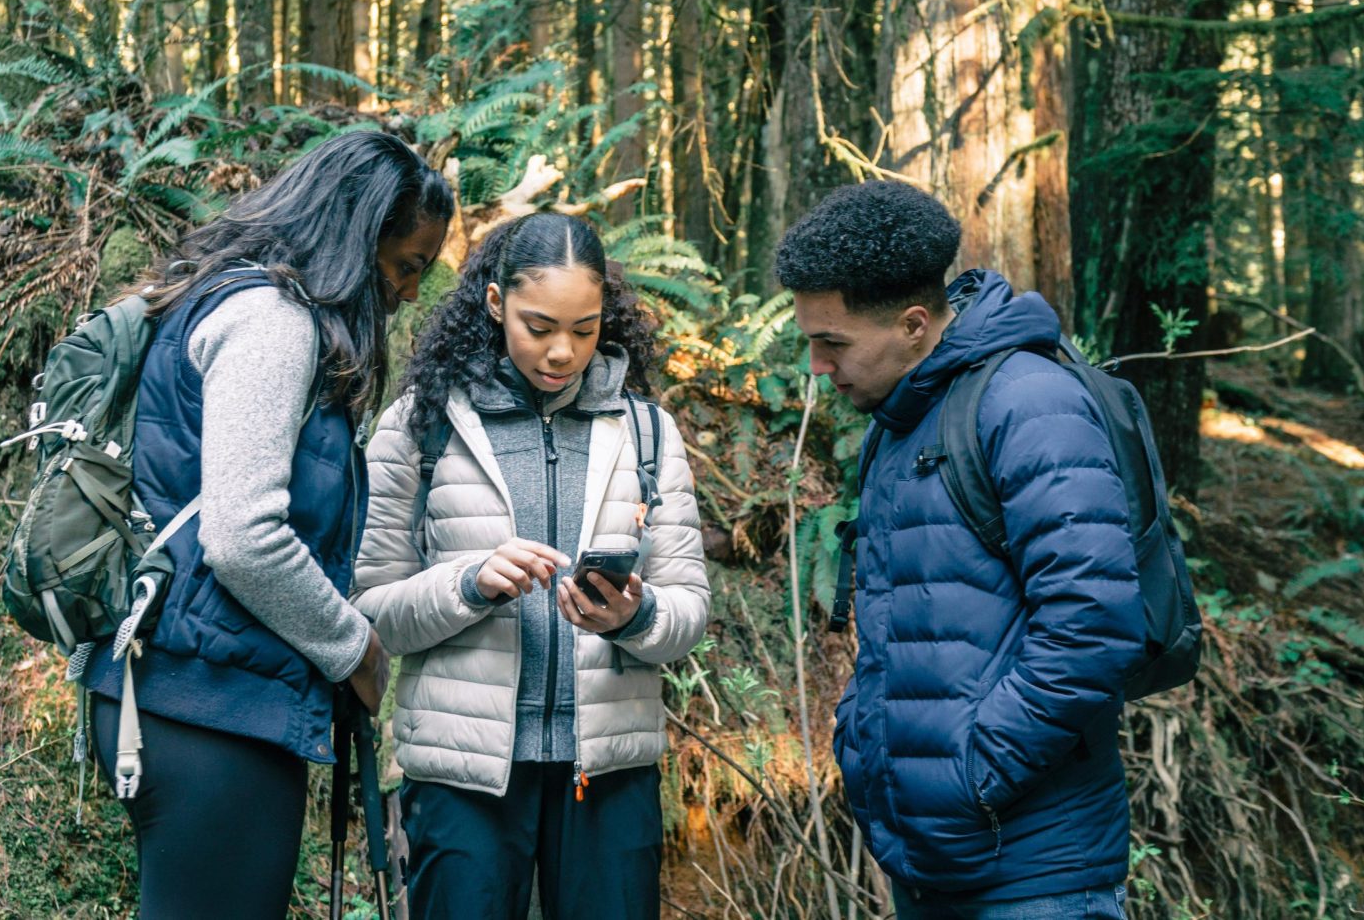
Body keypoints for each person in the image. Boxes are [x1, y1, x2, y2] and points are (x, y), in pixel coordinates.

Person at [80, 131, 454, 918]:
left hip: (194, 692)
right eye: (408, 264)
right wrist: (355, 645)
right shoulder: (274, 321)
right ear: (358, 235)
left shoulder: (237, 300)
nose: (411, 290)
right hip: (207, 707)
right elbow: (244, 534)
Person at [775, 181, 1146, 919]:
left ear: (914, 324)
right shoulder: (905, 413)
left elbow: (1094, 622)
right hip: (935, 857)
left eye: (834, 343)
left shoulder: (1028, 403)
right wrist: (869, 746)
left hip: (1035, 875)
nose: (818, 365)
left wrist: (971, 772)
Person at [352, 211, 709, 920]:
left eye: (584, 329)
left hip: (607, 771)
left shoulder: (645, 430)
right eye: (538, 326)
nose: (562, 352)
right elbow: (368, 609)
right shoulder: (419, 425)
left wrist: (635, 614)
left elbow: (689, 610)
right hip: (464, 775)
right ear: (494, 303)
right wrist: (468, 582)